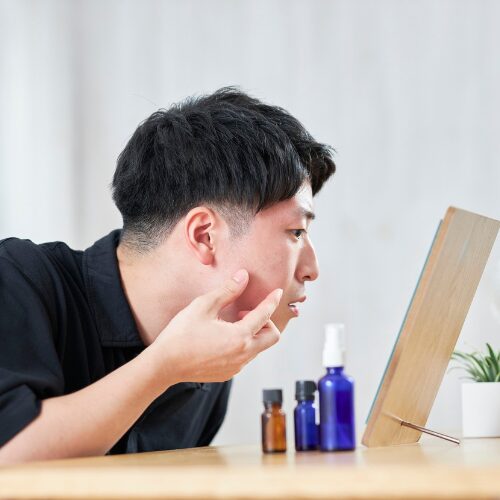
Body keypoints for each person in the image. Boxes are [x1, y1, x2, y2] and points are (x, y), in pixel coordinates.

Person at [0, 87, 335, 464]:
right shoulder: (19, 278)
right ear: (204, 235)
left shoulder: (208, 359)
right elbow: (8, 450)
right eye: (296, 232)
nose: (312, 269)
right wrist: (165, 367)